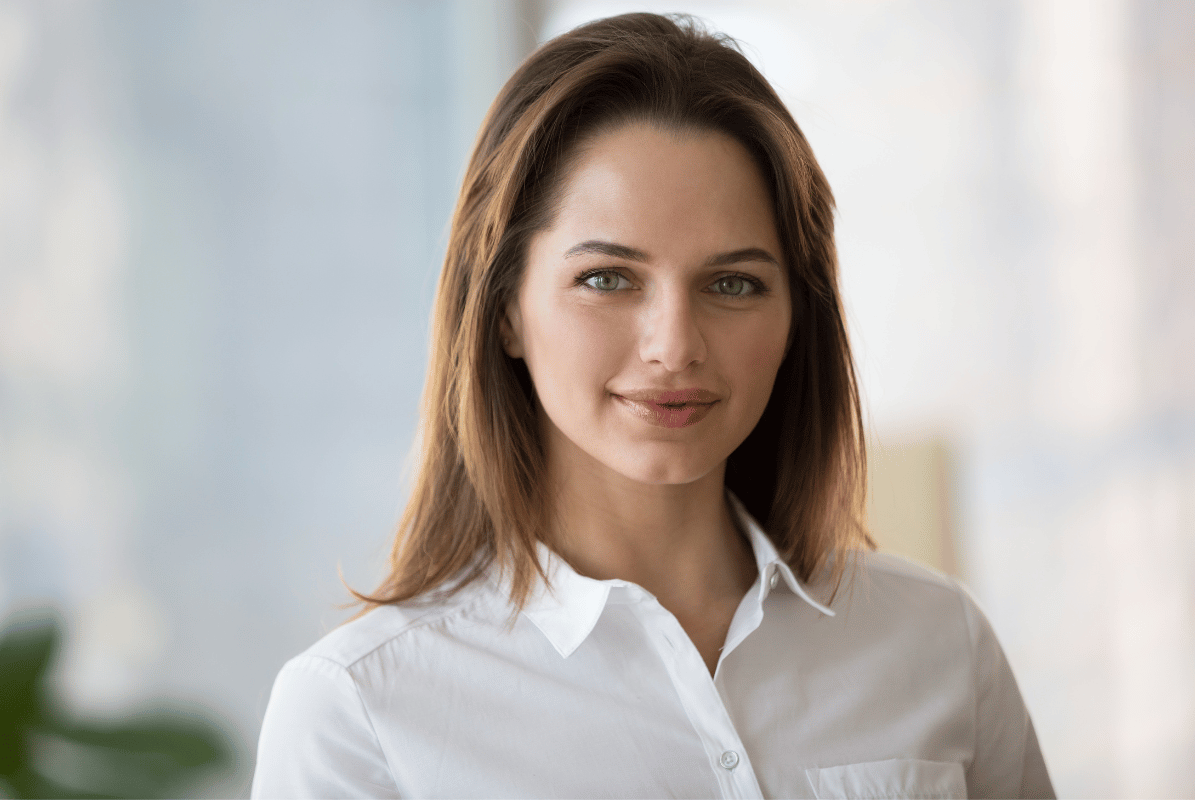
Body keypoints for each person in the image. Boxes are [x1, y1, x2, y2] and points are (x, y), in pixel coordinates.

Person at [251, 12, 1054, 799]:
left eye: (733, 283)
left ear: (794, 318)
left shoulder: (937, 641)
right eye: (607, 278)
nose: (675, 345)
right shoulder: (359, 712)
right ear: (503, 310)